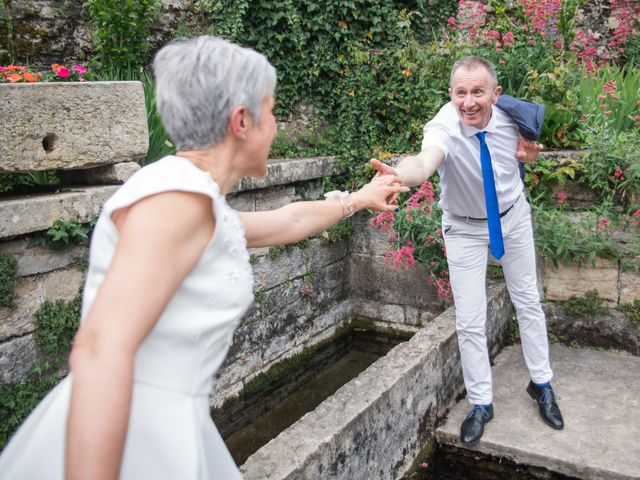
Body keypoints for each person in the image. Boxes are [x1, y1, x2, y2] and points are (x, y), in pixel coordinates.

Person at [0, 36, 407, 479]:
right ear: (241, 121)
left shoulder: (192, 195)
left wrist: (360, 199)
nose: (275, 125)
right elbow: (101, 348)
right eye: (271, 111)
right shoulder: (177, 200)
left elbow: (285, 222)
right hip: (132, 437)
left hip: (169, 425)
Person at [371, 56, 563, 445]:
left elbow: (531, 152)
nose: (469, 102)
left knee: (528, 301)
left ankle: (542, 385)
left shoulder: (513, 119)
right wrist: (398, 174)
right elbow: (425, 161)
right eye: (461, 92)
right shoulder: (444, 125)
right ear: (451, 94)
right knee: (470, 319)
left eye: (478, 92)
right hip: (462, 229)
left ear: (496, 93)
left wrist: (532, 156)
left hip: (513, 218)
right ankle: (481, 403)